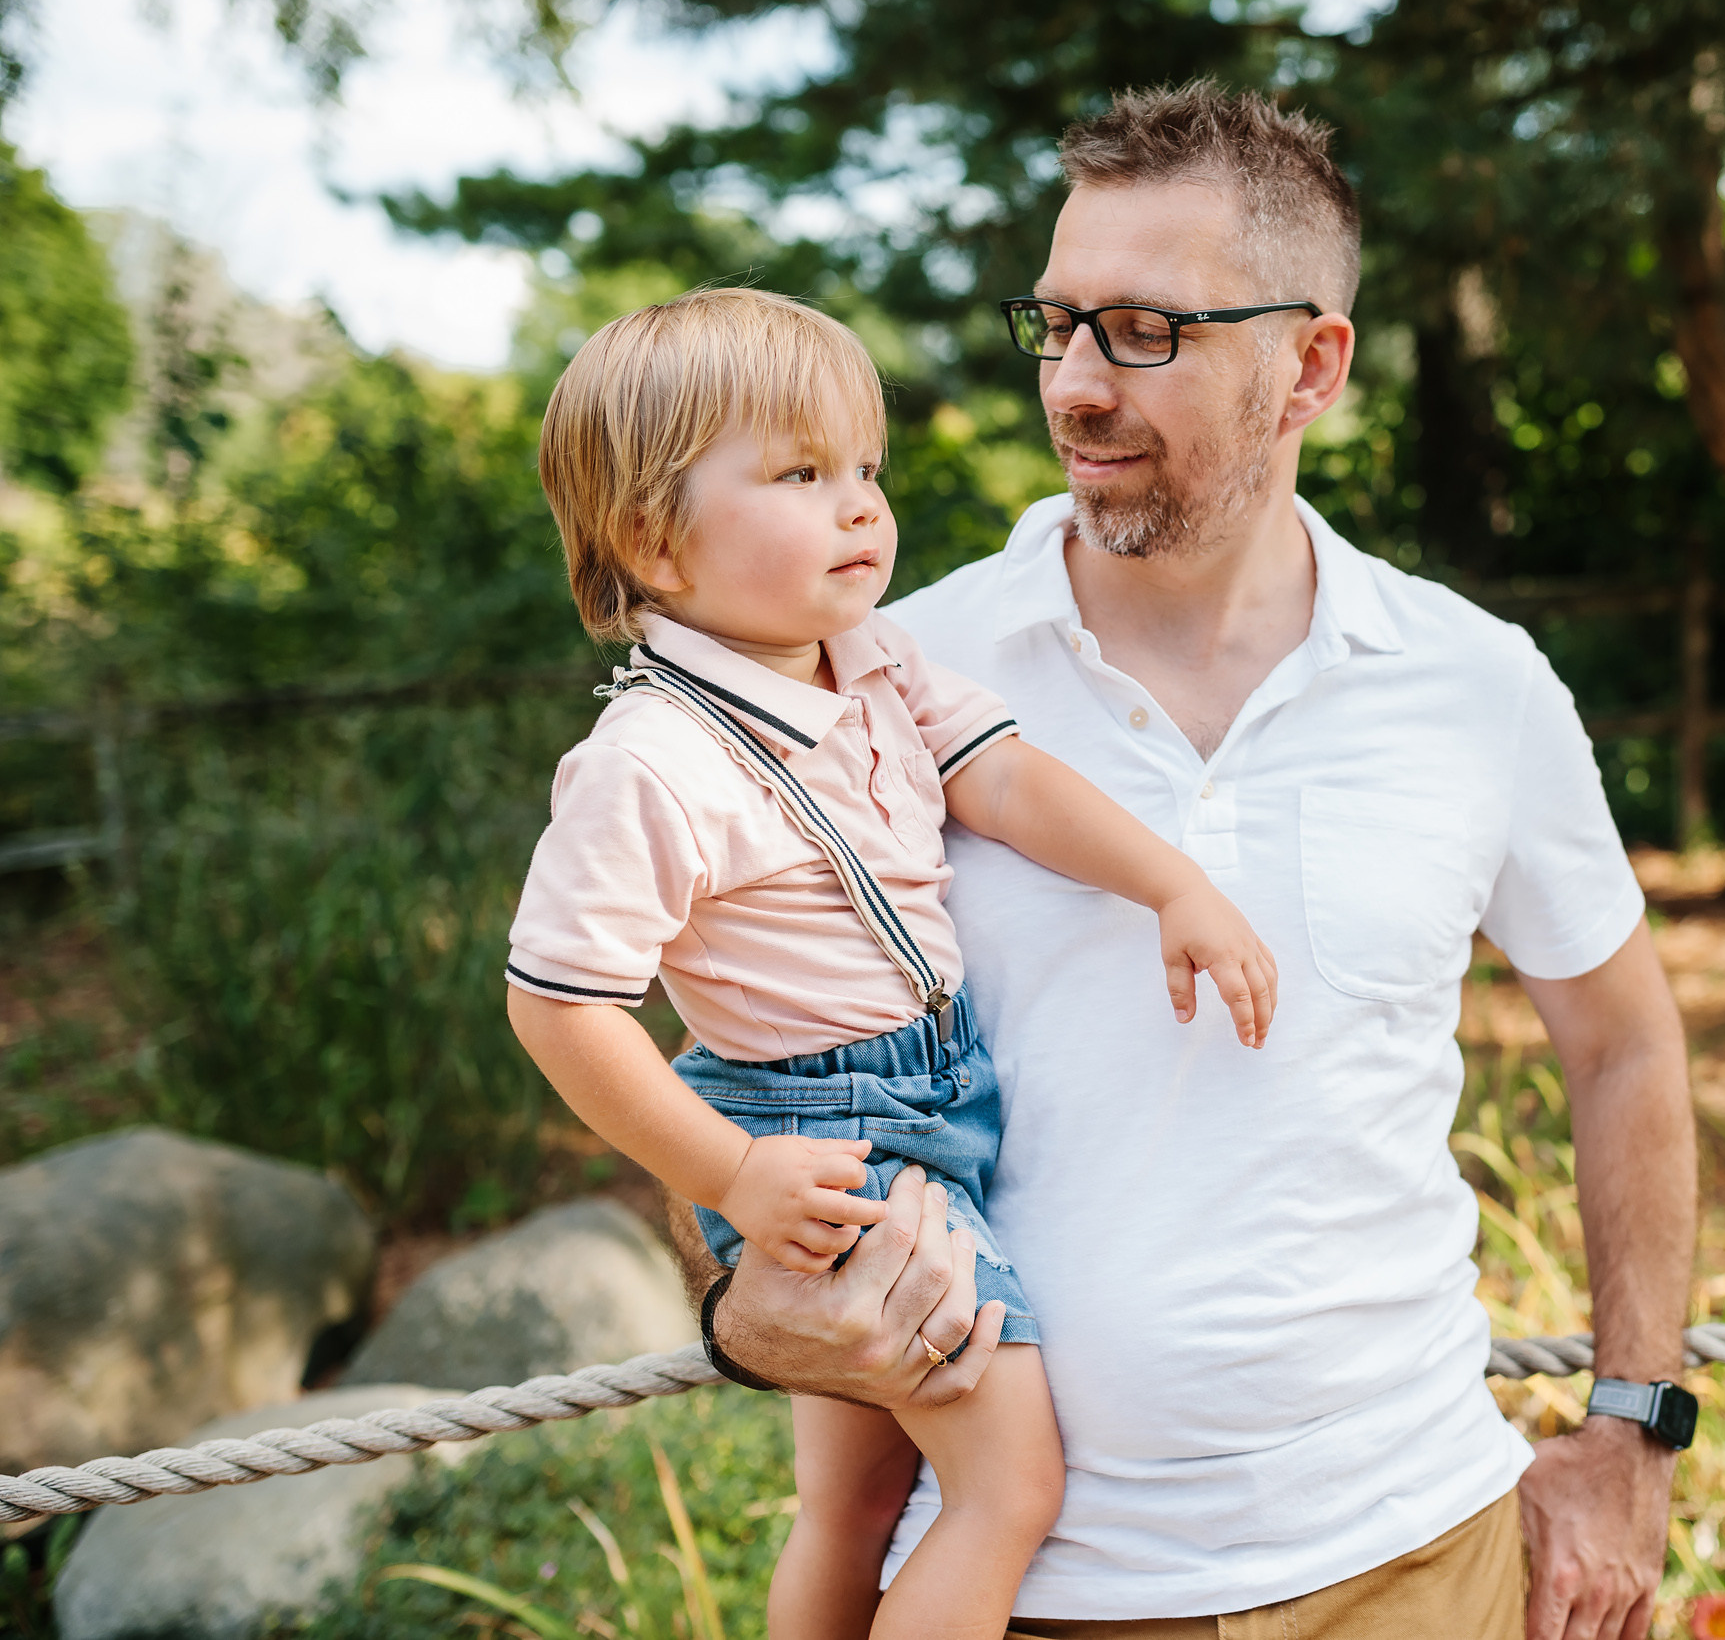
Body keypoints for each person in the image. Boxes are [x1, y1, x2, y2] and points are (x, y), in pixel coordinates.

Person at [703, 82, 1698, 1640]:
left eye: (1146, 333)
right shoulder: (884, 671)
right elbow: (747, 1045)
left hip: (1419, 1564)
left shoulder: (1476, 682)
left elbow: (1625, 1044)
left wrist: (1634, 1429)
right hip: (1021, 1590)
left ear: (1312, 364)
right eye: (1059, 324)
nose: (1079, 386)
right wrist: (736, 1294)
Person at [503, 286, 1281, 1640]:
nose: (862, 504)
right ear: (652, 540)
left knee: (856, 1506)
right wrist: (729, 1175)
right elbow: (560, 1007)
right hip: (832, 1148)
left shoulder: (865, 659)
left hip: (933, 1095)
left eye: (865, 467)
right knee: (1009, 1483)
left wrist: (1171, 881)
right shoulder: (652, 760)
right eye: (803, 474)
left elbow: (1003, 780)